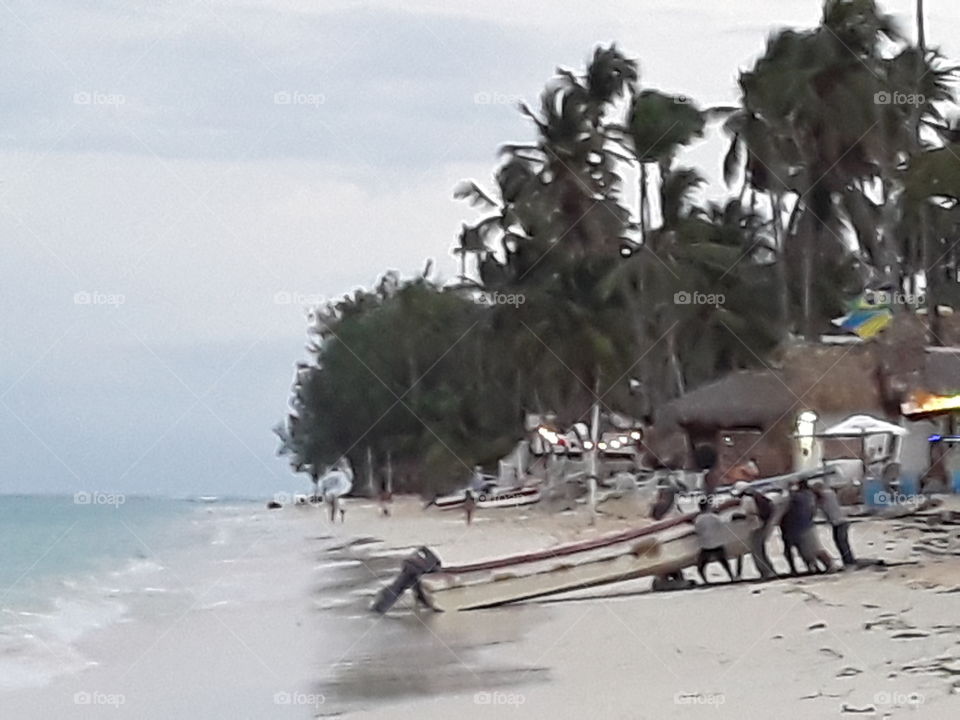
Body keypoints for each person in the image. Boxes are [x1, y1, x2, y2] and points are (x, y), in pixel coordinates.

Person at [733, 481, 777, 580]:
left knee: (757, 552)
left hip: (755, 526)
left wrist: (737, 516)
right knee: (761, 550)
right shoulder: (756, 495)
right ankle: (770, 570)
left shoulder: (746, 499)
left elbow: (746, 513)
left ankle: (766, 572)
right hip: (762, 524)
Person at [813, 480, 855, 568]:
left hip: (839, 523)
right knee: (840, 543)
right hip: (838, 523)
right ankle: (848, 561)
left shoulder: (825, 495)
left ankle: (849, 562)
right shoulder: (829, 494)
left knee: (842, 543)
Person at [694, 498, 735, 584]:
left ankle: (705, 581)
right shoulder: (715, 517)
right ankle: (732, 576)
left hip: (706, 546)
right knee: (724, 563)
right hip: (717, 544)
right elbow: (724, 524)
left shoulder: (698, 519)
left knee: (701, 567)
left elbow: (697, 531)